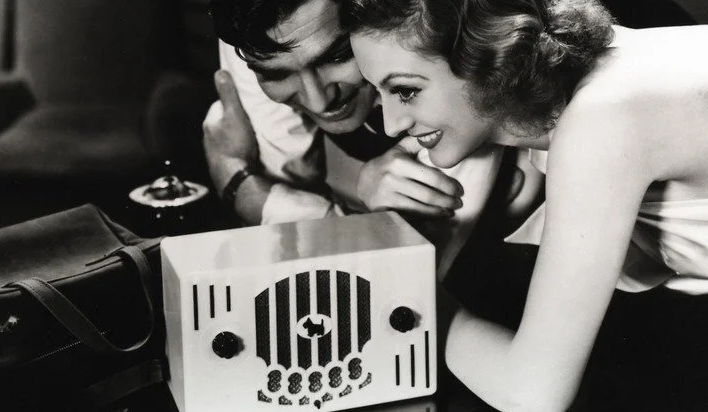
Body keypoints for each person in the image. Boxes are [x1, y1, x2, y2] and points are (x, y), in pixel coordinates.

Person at [342, 0, 708, 412]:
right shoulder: (590, 80)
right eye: (378, 92)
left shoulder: (604, 118)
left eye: (405, 90)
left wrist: (413, 302)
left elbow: (533, 395)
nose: (391, 124)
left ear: (487, 56)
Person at [205, 0, 541, 278]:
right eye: (277, 75)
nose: (318, 101)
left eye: (336, 56)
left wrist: (238, 183)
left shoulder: (438, 49)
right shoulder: (257, 33)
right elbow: (279, 244)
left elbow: (398, 287)